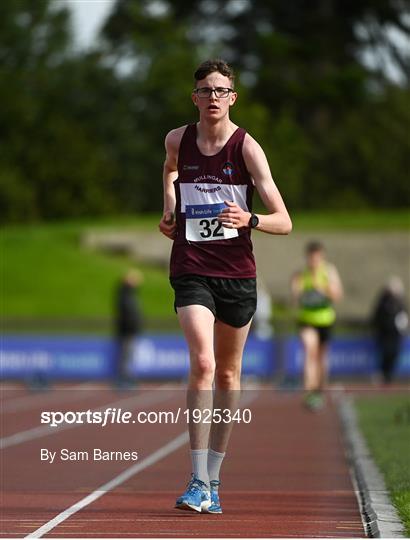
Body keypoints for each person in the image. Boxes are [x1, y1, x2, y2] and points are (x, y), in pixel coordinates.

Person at [159, 58, 292, 514]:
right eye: (205, 90)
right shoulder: (178, 138)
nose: (213, 98)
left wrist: (249, 218)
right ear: (194, 97)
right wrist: (171, 208)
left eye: (221, 91)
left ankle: (214, 479)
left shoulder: (247, 149)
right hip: (191, 265)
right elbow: (171, 169)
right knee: (202, 362)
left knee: (230, 375)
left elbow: (285, 221)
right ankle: (197, 479)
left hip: (237, 273)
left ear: (232, 98)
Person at [291, 241, 343, 411]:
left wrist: (322, 288)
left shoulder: (329, 272)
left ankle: (319, 390)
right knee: (309, 350)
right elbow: (295, 298)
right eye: (311, 258)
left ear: (322, 257)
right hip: (307, 320)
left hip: (325, 320)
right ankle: (309, 391)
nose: (314, 261)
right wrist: (299, 291)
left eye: (317, 258)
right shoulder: (301, 274)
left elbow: (337, 296)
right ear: (307, 257)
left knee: (321, 358)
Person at [371, 276, 408, 384]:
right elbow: (377, 316)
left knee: (394, 354)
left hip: (395, 335)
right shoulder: (383, 301)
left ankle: (389, 375)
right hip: (384, 334)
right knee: (385, 353)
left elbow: (404, 316)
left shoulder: (400, 302)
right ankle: (383, 374)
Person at [114, 268, 143, 388]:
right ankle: (123, 380)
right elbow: (127, 314)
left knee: (128, 356)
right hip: (127, 331)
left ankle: (126, 378)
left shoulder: (128, 294)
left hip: (130, 331)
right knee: (125, 356)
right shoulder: (124, 294)